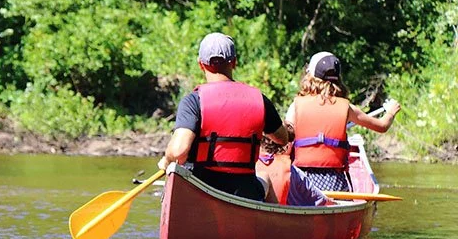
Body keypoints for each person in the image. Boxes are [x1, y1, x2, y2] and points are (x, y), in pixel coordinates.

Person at [157, 32, 290, 201]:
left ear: (201, 64)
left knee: (174, 178)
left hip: (201, 190)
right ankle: (270, 225)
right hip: (245, 192)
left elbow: (178, 152)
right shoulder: (260, 100)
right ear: (234, 62)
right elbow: (282, 139)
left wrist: (167, 161)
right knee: (265, 177)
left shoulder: (194, 101)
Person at [283, 51, 401, 206]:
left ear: (310, 77)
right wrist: (391, 112)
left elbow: (284, 143)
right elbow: (382, 126)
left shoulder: (296, 106)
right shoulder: (347, 108)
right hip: (335, 183)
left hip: (301, 180)